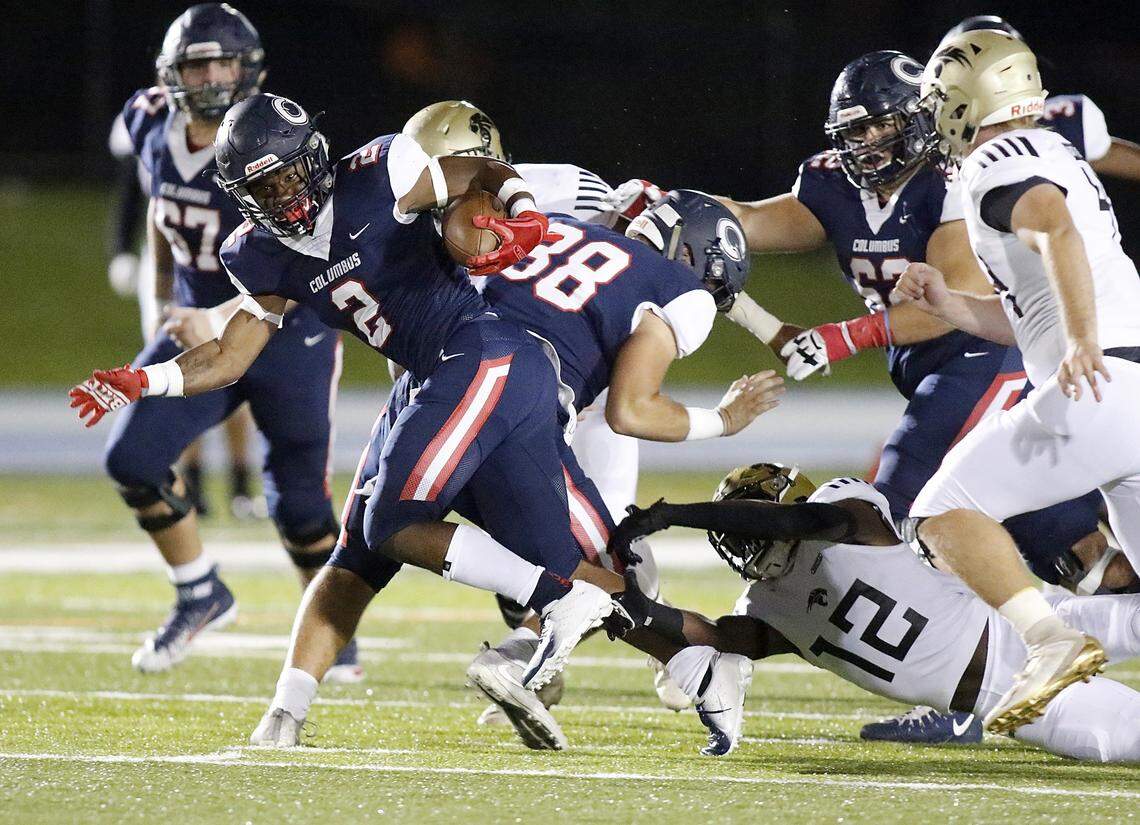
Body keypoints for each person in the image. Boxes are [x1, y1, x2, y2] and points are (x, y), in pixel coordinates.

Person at [70, 93, 765, 754]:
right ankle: (707, 661)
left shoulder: (381, 171)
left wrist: (518, 209)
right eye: (264, 190)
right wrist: (143, 379)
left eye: (287, 178)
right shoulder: (260, 251)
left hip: (485, 357)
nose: (283, 197)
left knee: (395, 525)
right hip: (441, 382)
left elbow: (486, 169)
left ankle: (562, 600)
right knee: (370, 551)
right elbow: (228, 354)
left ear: (312, 156)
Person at [716, 49, 1111, 741]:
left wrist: (840, 338)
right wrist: (666, 204)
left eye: (879, 128)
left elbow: (952, 304)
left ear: (919, 121)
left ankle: (968, 695)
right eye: (854, 131)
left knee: (897, 515)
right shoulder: (830, 184)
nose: (865, 144)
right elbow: (743, 220)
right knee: (1067, 543)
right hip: (943, 372)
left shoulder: (958, 181)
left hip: (983, 360)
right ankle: (1058, 623)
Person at [369, 190, 781, 750]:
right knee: (590, 560)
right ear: (697, 263)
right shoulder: (681, 292)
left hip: (453, 376)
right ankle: (697, 664)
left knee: (586, 559)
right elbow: (631, 409)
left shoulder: (559, 224)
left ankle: (687, 664)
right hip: (519, 396)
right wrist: (725, 421)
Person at [86, 4, 356, 680]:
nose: (209, 76)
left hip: (289, 327)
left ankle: (331, 633)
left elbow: (306, 247)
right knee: (132, 457)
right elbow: (159, 215)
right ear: (170, 72)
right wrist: (167, 305)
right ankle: (200, 589)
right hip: (199, 328)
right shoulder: (150, 121)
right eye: (195, 63)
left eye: (221, 62)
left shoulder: (266, 133)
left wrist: (226, 310)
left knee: (299, 504)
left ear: (248, 67)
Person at [888, 28, 1140, 733]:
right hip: (1133, 383)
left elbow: (1053, 226)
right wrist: (949, 304)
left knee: (940, 512)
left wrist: (1083, 342)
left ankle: (1050, 637)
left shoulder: (995, 158)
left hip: (1100, 383)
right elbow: (1031, 312)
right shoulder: (1053, 146)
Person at [606, 464, 1140, 763]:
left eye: (750, 522)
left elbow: (807, 524)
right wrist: (630, 608)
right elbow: (715, 639)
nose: (744, 539)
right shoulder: (766, 606)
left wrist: (675, 514)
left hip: (1035, 624)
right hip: (1009, 701)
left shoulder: (848, 513)